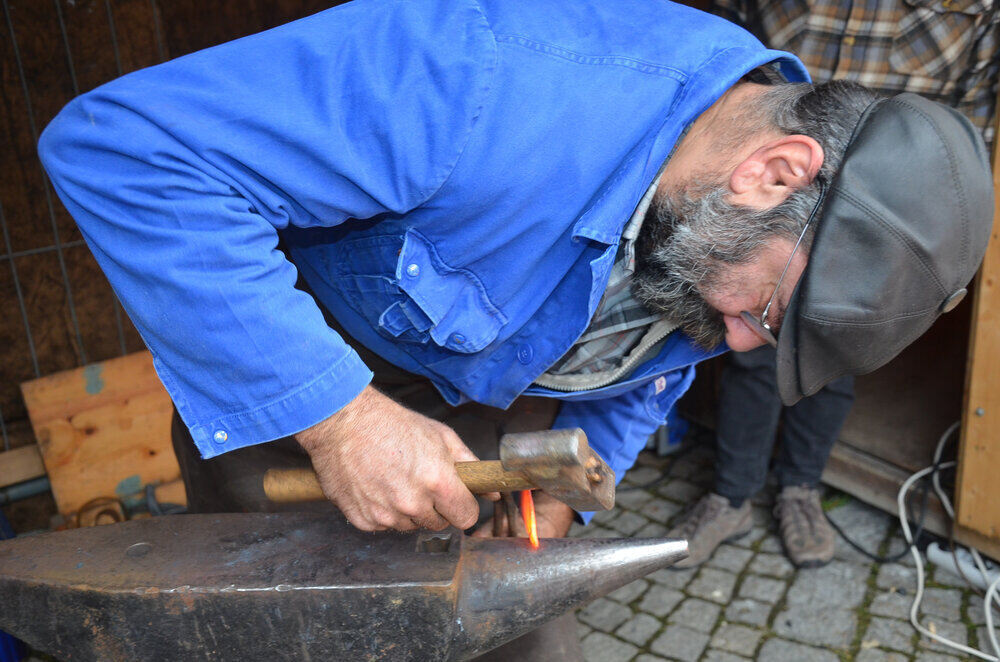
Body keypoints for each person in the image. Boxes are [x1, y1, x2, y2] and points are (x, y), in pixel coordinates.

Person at [37, 0, 989, 572]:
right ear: (775, 172)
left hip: (495, 411)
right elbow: (125, 151)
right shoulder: (478, 75)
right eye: (771, 316)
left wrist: (577, 479)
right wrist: (342, 419)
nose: (738, 347)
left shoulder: (724, 212)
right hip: (299, 380)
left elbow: (656, 348)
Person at [668, 0, 1000, 570]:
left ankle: (800, 488)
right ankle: (732, 494)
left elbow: (973, 124)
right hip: (786, 188)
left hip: (887, 229)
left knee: (831, 364)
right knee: (747, 350)